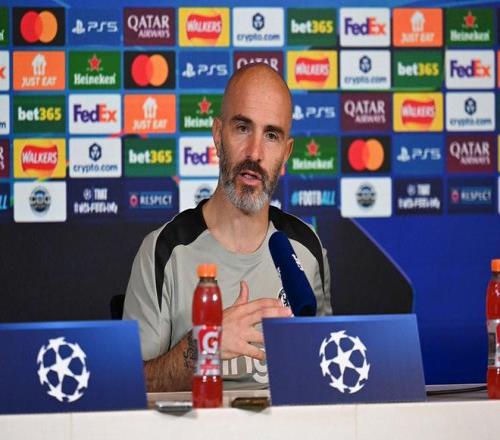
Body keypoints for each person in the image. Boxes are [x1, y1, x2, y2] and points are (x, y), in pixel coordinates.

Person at [123, 63, 331, 392]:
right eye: (242, 128)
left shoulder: (307, 248)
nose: (255, 153)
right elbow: (128, 383)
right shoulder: (163, 252)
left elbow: (328, 374)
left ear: (286, 152)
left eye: (272, 135)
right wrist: (204, 345)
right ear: (218, 135)